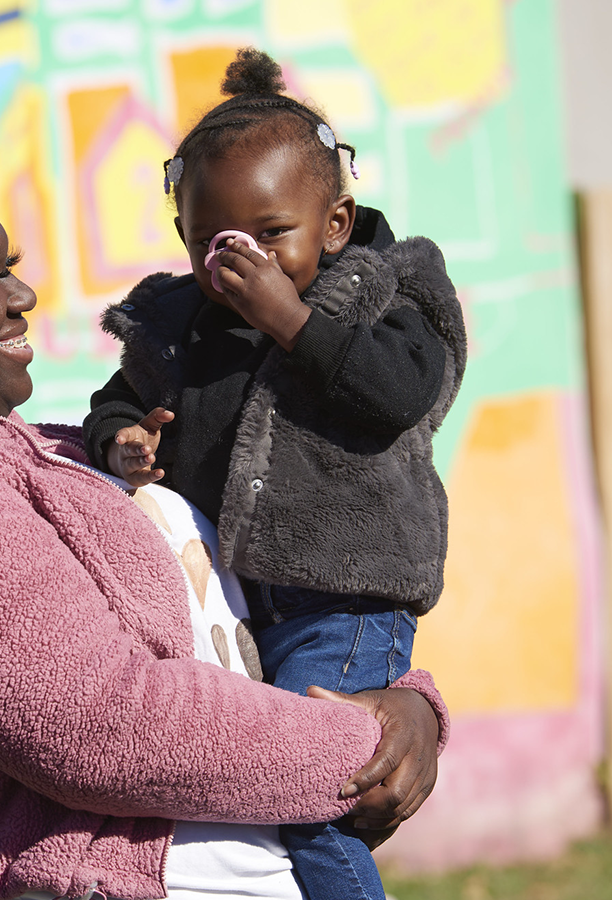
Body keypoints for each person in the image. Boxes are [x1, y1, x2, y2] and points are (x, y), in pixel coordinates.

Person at [0, 154, 449, 900]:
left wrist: (409, 707)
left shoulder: (55, 451)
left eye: (11, 267)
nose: (23, 294)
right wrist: (370, 744)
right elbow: (106, 726)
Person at [82, 49, 467, 900]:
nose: (240, 262)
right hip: (239, 606)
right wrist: (121, 441)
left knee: (311, 796)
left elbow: (400, 393)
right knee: (257, 794)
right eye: (210, 241)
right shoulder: (184, 324)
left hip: (347, 601)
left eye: (270, 235)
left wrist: (289, 320)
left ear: (334, 222)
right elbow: (113, 400)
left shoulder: (381, 296)